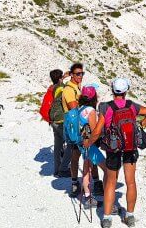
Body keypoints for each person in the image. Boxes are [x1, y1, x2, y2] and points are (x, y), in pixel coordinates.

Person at [92, 77, 146, 228]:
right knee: (131, 182)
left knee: (110, 183)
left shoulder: (105, 107)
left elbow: (97, 131)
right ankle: (130, 217)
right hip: (130, 146)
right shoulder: (132, 106)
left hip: (113, 148)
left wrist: (89, 142)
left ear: (112, 90)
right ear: (126, 91)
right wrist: (140, 125)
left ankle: (107, 219)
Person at [62, 62, 100, 196]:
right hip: (75, 127)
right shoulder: (68, 89)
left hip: (78, 125)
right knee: (76, 156)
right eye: (78, 74)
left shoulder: (77, 87)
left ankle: (92, 181)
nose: (80, 76)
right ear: (71, 74)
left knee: (86, 155)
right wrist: (86, 102)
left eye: (82, 73)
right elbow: (73, 106)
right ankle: (75, 183)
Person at [78, 86, 107, 209]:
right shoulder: (91, 111)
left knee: (86, 170)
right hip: (90, 145)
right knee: (107, 169)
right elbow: (95, 130)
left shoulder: (80, 109)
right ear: (93, 97)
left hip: (82, 143)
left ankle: (88, 197)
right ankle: (108, 198)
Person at [39, 68, 71, 177]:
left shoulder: (51, 88)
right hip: (61, 120)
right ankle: (63, 169)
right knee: (71, 145)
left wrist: (63, 77)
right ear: (59, 78)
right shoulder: (61, 88)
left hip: (52, 120)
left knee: (58, 146)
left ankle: (57, 170)